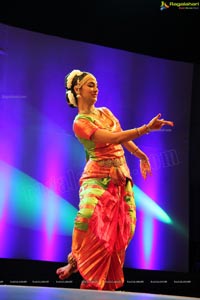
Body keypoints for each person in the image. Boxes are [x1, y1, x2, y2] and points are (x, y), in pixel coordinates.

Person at [56, 69, 174, 291]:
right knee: (87, 216)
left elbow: (122, 140)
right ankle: (74, 261)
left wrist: (141, 155)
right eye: (90, 84)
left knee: (121, 231)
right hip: (97, 176)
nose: (96, 88)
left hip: (121, 178)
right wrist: (146, 128)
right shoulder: (80, 122)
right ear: (78, 89)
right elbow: (113, 138)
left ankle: (102, 280)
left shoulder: (106, 113)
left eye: (97, 84)